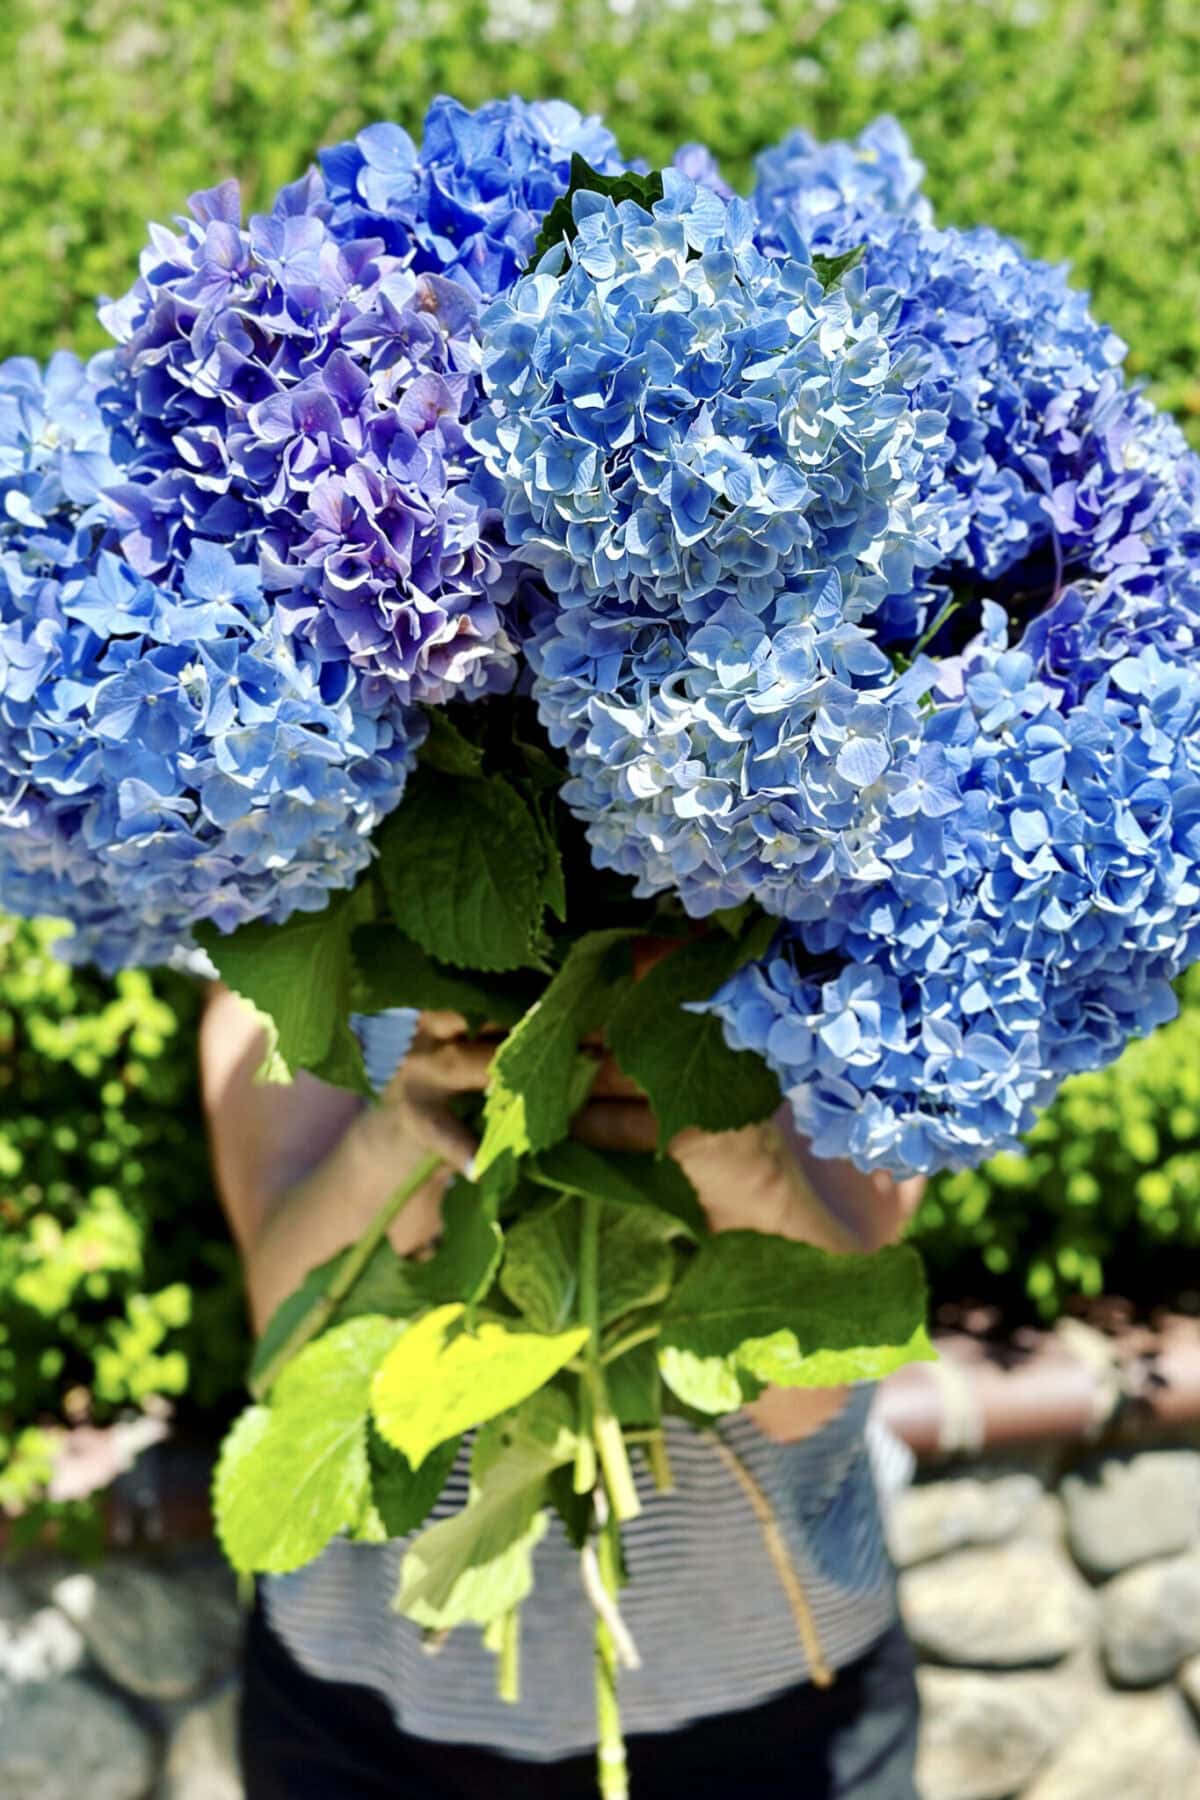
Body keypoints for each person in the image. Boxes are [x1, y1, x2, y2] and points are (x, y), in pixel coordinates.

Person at [201, 990, 925, 1799]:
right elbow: (296, 1342)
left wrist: (734, 1155)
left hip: (777, 1708)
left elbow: (813, 1385)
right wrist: (398, 1136)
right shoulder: (271, 892)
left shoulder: (866, 934)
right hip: (375, 1712)